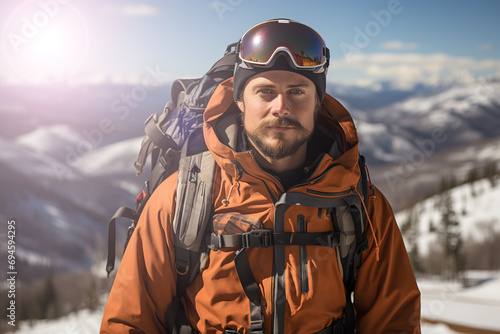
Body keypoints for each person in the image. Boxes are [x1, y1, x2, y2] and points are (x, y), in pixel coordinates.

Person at [100, 19, 421, 333]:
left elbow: (393, 321)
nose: (281, 106)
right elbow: (130, 322)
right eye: (265, 92)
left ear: (317, 102)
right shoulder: (182, 196)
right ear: (240, 100)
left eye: (297, 91)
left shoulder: (360, 201)